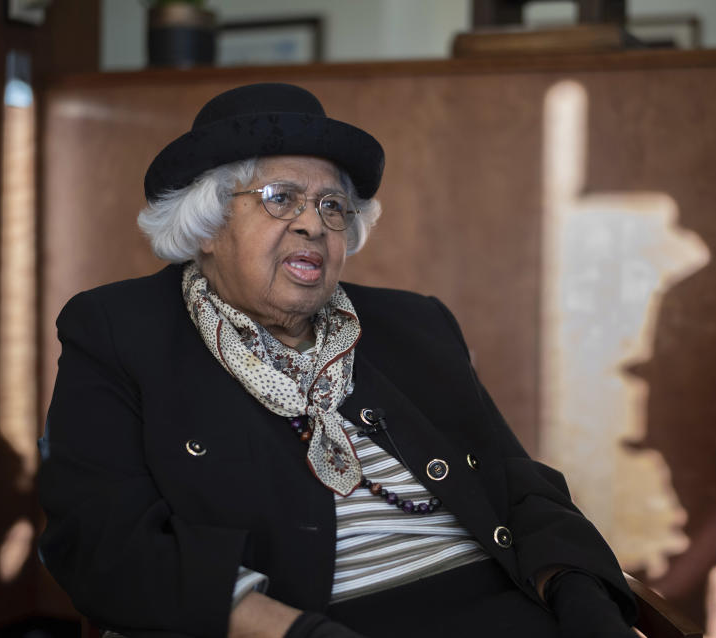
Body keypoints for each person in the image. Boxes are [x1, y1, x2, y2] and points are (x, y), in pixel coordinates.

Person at [38, 83, 637, 638]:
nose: (314, 224)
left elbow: (517, 485)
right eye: (281, 199)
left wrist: (584, 602)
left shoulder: (415, 324)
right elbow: (101, 543)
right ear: (207, 225)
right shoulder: (121, 331)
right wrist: (292, 631)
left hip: (499, 608)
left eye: (332, 207)